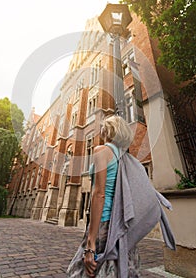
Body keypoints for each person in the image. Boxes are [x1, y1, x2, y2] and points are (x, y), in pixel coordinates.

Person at [67, 114, 140, 277]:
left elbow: (99, 194)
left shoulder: (102, 151)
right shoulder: (124, 157)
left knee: (85, 270)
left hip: (104, 222)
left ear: (108, 130)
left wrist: (91, 242)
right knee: (115, 270)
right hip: (121, 223)